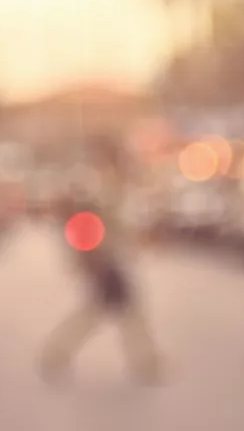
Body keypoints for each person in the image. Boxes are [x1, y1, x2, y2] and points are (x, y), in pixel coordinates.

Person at [38, 138, 162, 384]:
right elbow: (98, 224)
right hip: (104, 261)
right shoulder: (101, 185)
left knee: (103, 311)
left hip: (106, 259)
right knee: (120, 309)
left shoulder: (106, 184)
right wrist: (91, 259)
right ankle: (146, 361)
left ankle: (57, 352)